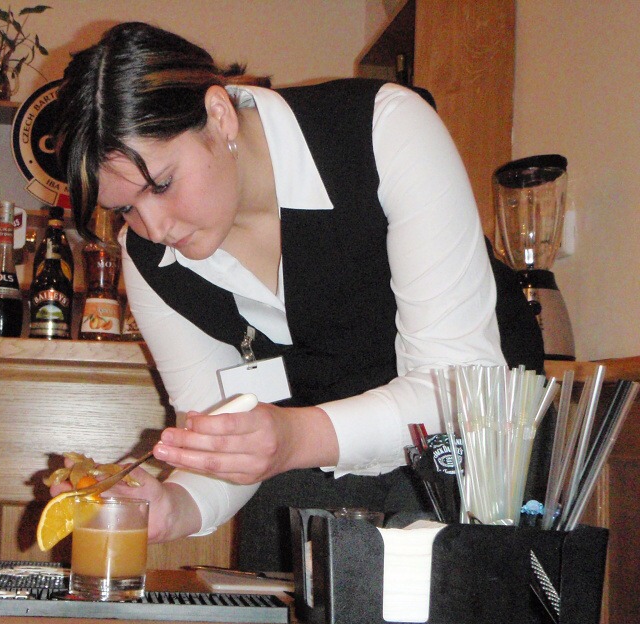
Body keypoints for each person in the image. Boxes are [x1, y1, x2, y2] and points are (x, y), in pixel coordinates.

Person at [52, 22, 543, 571]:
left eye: (161, 184)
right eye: (126, 208)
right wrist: (175, 505)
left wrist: (290, 438)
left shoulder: (382, 130)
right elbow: (216, 427)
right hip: (305, 483)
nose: (155, 226)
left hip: (476, 472)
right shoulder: (149, 258)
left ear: (219, 114)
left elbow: (458, 390)